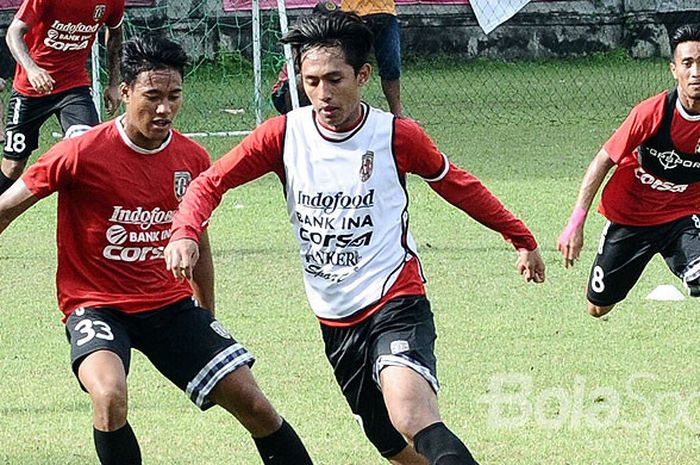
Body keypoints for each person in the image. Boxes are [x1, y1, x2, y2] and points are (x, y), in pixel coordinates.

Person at [165, 11, 545, 465]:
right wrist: (185, 231)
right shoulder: (284, 136)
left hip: (395, 297)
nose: (322, 94)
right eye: (311, 82)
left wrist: (519, 236)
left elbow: (456, 183)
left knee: (412, 413)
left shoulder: (395, 136)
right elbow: (210, 183)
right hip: (334, 316)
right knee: (390, 443)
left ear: (362, 75)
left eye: (334, 79)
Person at [0, 35, 314, 465]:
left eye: (173, 96)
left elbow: (197, 239)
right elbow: (5, 209)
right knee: (109, 396)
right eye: (152, 96)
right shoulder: (78, 153)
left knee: (255, 405)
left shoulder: (192, 158)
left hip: (169, 306)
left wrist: (206, 311)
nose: (164, 108)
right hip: (95, 305)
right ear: (124, 92)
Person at [558, 24, 700, 318]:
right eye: (687, 63)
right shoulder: (652, 113)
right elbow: (603, 160)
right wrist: (576, 223)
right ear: (674, 70)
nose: (696, 72)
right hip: (631, 218)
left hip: (683, 217)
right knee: (597, 307)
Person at [1, 0, 124, 195]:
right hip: (30, 90)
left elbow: (115, 34)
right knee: (13, 166)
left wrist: (115, 83)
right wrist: (32, 69)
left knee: (91, 152)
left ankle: (91, 218)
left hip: (74, 87)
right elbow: (14, 33)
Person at [271, 0, 338, 114]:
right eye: (326, 20)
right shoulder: (304, 38)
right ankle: (296, 119)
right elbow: (297, 67)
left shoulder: (340, 40)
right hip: (286, 90)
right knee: (303, 80)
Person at [341, 0, 403, 117]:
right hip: (354, 15)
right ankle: (352, 110)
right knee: (351, 65)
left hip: (385, 13)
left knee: (391, 66)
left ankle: (397, 115)